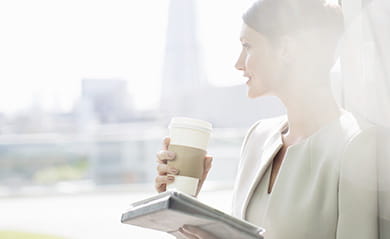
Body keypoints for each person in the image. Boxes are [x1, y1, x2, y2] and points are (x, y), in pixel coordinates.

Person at [155, 0, 380, 238]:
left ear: (286, 50)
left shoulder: (356, 145)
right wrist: (183, 204)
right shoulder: (259, 136)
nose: (238, 63)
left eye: (248, 46)